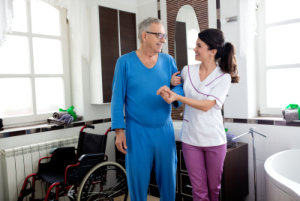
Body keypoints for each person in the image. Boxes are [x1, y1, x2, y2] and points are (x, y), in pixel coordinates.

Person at [157, 28, 239, 201]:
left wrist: (178, 96)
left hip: (214, 141)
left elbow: (207, 105)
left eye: (199, 45)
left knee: (213, 189)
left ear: (213, 51)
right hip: (190, 140)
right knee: (199, 191)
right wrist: (171, 83)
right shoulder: (187, 70)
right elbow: (175, 86)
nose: (194, 49)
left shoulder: (223, 77)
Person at [111, 17, 184, 201]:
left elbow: (178, 87)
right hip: (137, 131)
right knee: (137, 182)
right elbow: (117, 98)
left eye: (164, 35)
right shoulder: (124, 62)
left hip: (164, 130)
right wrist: (120, 131)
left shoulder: (168, 60)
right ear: (144, 35)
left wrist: (173, 92)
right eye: (159, 35)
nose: (163, 40)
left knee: (169, 180)